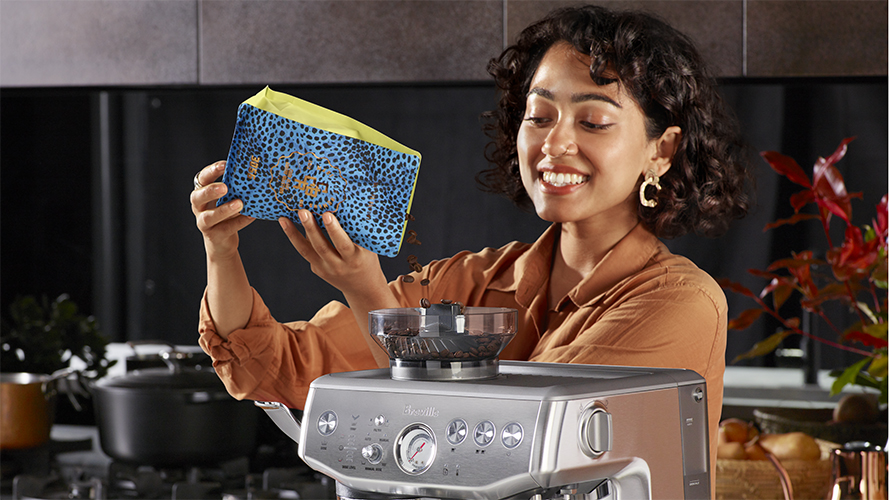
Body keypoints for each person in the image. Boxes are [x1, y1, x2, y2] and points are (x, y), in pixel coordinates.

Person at [191, 4, 750, 496]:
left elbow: (511, 451)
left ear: (662, 150)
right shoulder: (473, 280)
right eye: (539, 115)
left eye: (594, 120)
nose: (555, 143)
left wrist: (364, 288)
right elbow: (273, 364)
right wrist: (222, 249)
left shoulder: (681, 303)